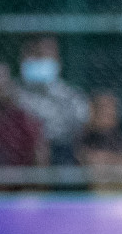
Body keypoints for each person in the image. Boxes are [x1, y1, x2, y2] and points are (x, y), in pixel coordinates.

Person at [13, 35, 88, 166]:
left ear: (57, 60)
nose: (38, 59)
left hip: (61, 153)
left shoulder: (72, 97)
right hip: (20, 152)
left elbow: (81, 131)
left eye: (44, 54)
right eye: (33, 54)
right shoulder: (11, 95)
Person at [75, 91, 122, 191]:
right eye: (102, 108)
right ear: (92, 111)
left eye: (110, 108)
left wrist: (102, 160)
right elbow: (86, 161)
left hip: (120, 197)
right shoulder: (82, 138)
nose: (107, 112)